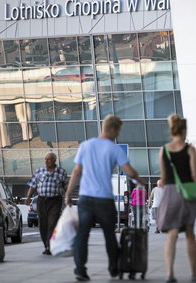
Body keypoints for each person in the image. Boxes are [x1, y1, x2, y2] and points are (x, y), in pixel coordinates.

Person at [65, 115, 144, 281]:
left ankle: (80, 270)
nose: (117, 135)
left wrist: (68, 194)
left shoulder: (85, 145)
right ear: (113, 129)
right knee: (109, 235)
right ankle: (114, 268)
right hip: (104, 200)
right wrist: (140, 180)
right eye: (118, 131)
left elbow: (77, 171)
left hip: (85, 198)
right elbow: (129, 171)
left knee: (82, 235)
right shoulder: (113, 149)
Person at [157, 114, 196, 283]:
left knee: (172, 234)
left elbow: (162, 179)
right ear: (184, 130)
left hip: (170, 193)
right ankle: (194, 272)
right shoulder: (189, 149)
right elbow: (195, 175)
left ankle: (170, 274)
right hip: (187, 193)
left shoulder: (164, 150)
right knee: (190, 234)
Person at [26, 152, 67, 255]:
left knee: (52, 223)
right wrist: (28, 197)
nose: (46, 161)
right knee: (43, 225)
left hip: (55, 201)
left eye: (48, 159)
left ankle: (50, 245)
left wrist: (67, 199)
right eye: (45, 159)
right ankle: (46, 245)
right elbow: (32, 185)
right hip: (41, 201)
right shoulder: (39, 171)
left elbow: (65, 188)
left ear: (54, 160)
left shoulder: (61, 172)